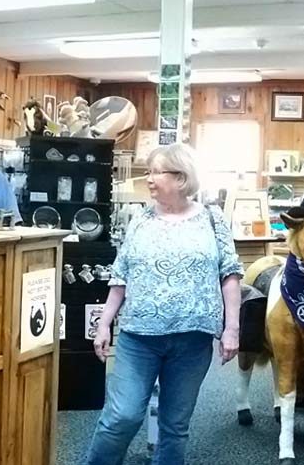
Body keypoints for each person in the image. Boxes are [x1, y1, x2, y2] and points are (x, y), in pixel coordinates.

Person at [83, 144, 242, 465]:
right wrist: (103, 323)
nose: (150, 179)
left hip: (193, 340)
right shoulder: (140, 220)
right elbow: (120, 276)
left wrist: (232, 329)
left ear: (181, 177)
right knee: (121, 417)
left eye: (157, 172)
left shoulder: (212, 219)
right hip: (139, 337)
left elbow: (231, 275)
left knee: (175, 426)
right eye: (149, 172)